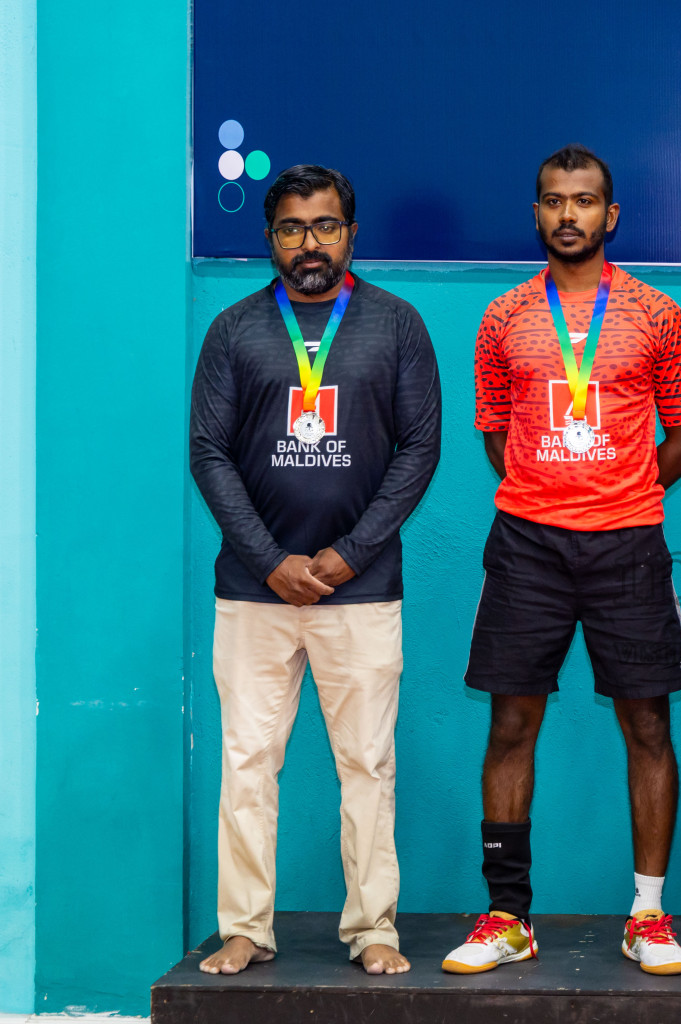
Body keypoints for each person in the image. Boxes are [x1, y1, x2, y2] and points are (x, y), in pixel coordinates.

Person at [442, 144, 681, 977]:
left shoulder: (658, 314)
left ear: (610, 215)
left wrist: (617, 487)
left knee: (649, 725)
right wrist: (550, 490)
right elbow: (494, 432)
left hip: (628, 541)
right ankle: (507, 915)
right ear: (536, 214)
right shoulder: (503, 317)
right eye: (554, 200)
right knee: (511, 724)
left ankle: (648, 914)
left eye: (584, 201)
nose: (569, 215)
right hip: (528, 543)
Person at [189, 165, 443, 975]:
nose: (310, 243)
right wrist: (273, 562)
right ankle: (245, 928)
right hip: (253, 592)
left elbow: (419, 450)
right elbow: (209, 453)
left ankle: (374, 929)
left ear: (351, 233)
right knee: (246, 765)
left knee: (368, 765)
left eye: (325, 226)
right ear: (270, 238)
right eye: (293, 228)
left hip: (360, 591)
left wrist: (346, 555)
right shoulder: (233, 331)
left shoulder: (396, 325)